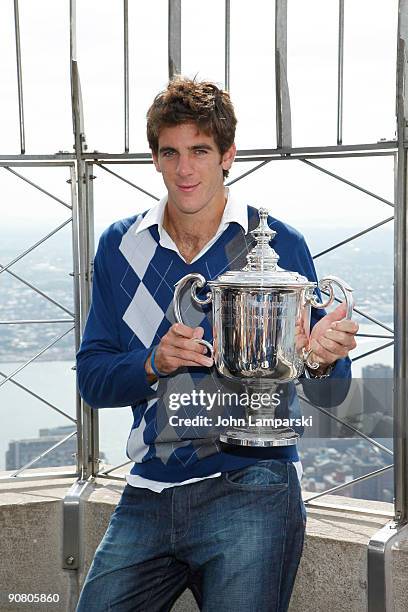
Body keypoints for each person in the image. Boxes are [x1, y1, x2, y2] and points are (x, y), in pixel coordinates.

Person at [76, 77, 358, 612]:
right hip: (149, 489)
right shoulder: (119, 246)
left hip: (254, 483)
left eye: (200, 151)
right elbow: (92, 378)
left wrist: (322, 357)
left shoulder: (278, 245)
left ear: (228, 155)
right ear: (155, 159)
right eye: (171, 152)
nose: (185, 169)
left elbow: (331, 394)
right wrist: (152, 363)